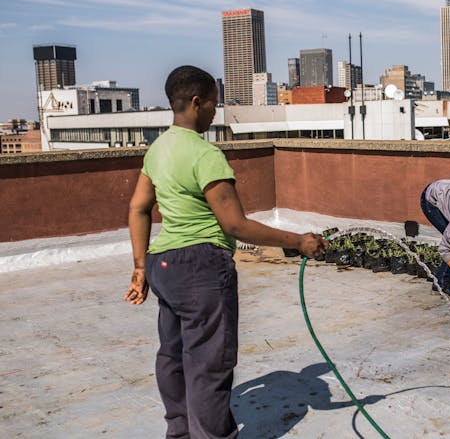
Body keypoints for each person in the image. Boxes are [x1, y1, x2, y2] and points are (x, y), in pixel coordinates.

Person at [124, 65, 327, 439]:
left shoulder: (157, 149)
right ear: (196, 102)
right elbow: (235, 225)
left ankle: (180, 433)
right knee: (208, 363)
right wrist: (298, 241)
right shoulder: (205, 155)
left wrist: (140, 267)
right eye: (214, 105)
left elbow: (138, 208)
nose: (216, 113)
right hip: (199, 268)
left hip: (163, 266)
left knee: (172, 355)